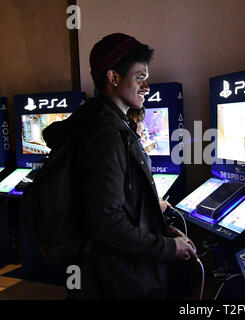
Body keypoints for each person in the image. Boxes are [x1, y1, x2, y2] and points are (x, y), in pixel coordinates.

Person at [43, 33, 196, 299]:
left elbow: (120, 203)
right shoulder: (106, 134)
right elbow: (108, 225)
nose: (147, 86)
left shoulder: (104, 123)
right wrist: (168, 249)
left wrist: (156, 230)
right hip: (116, 280)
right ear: (113, 78)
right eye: (140, 77)